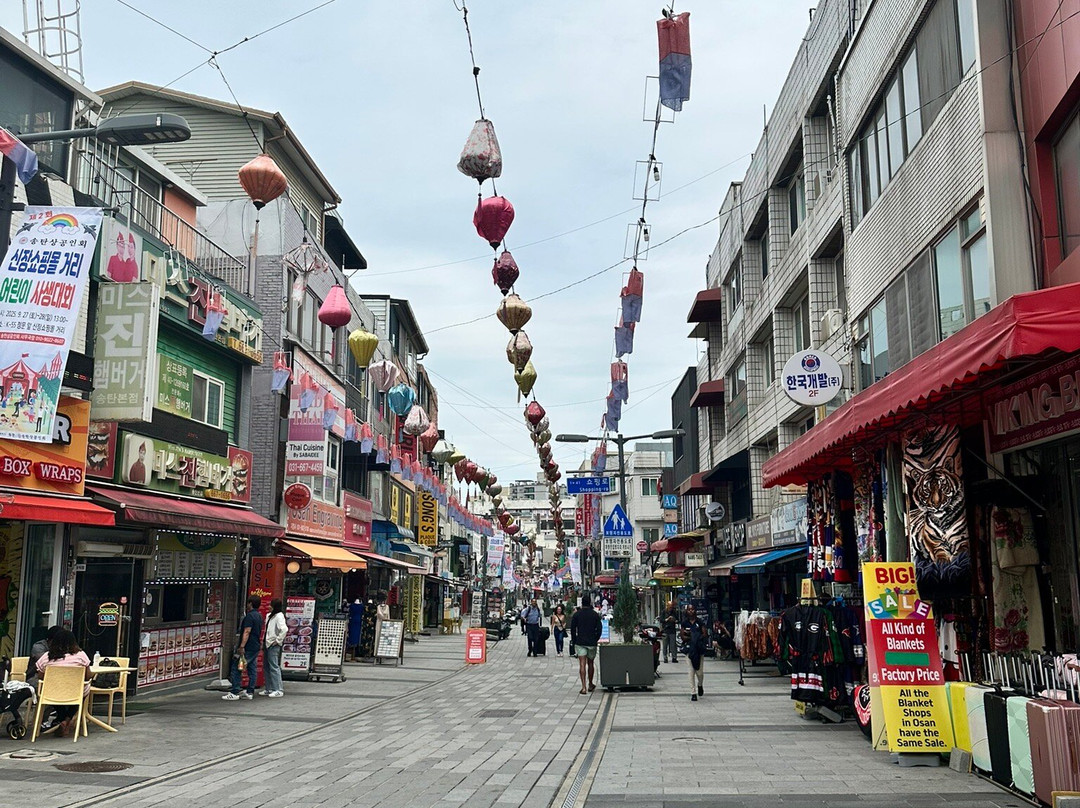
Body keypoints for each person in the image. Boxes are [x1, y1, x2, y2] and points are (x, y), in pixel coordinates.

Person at [35, 628, 92, 737]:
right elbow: (87, 676)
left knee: (52, 693)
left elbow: (41, 676)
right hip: (75, 691)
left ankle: (62, 717)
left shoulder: (47, 656)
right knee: (83, 690)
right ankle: (67, 719)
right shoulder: (81, 655)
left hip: (53, 692)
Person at [224, 595, 263, 700]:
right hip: (255, 645)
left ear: (250, 603)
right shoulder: (259, 616)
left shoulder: (249, 617)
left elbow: (247, 631)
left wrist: (241, 646)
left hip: (248, 647)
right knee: (251, 668)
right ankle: (250, 691)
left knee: (237, 667)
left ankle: (235, 691)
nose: (246, 605)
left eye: (248, 603)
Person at [569, 594, 603, 695]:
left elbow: (572, 629)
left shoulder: (577, 615)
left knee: (582, 664)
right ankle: (590, 684)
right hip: (591, 642)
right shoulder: (595, 614)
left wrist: (574, 640)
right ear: (590, 603)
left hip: (580, 642)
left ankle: (583, 687)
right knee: (591, 663)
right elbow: (600, 629)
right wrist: (596, 638)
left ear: (582, 603)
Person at [681, 604, 709, 701]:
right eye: (689, 609)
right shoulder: (685, 623)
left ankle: (700, 685)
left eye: (692, 609)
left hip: (699, 649)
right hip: (689, 650)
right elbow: (682, 636)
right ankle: (693, 692)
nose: (691, 611)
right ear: (687, 611)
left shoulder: (699, 622)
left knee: (699, 672)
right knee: (691, 671)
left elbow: (705, 633)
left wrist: (697, 638)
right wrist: (691, 637)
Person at [262, 598, 286, 698]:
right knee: (267, 666)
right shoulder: (269, 616)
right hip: (267, 643)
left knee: (274, 666)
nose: (269, 606)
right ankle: (269, 688)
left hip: (273, 644)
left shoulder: (279, 616)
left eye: (271, 605)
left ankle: (278, 689)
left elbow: (284, 629)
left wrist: (278, 640)